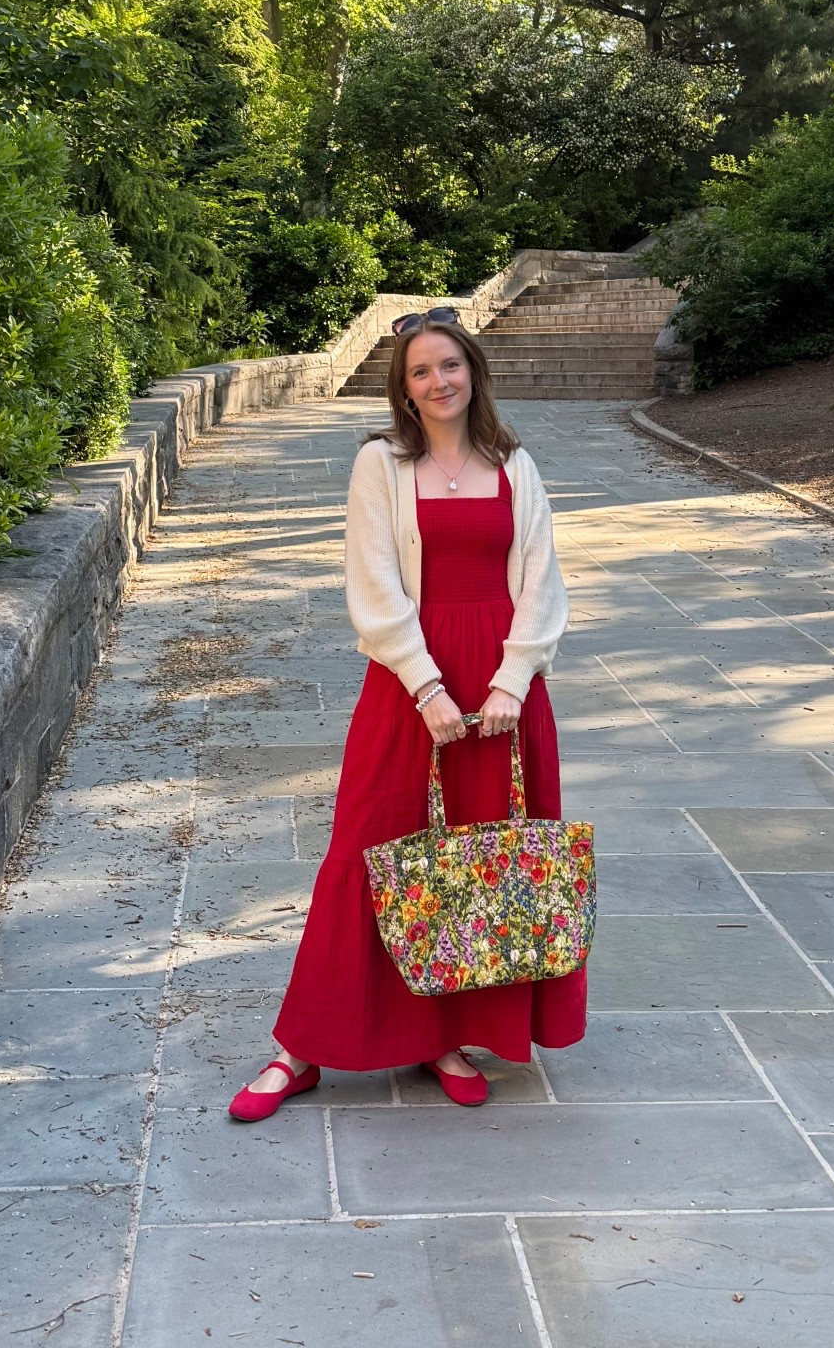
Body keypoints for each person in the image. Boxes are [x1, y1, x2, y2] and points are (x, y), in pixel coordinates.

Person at [228, 306, 587, 1119]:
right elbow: (374, 584)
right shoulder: (380, 464)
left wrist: (511, 681)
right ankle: (302, 1048)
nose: (438, 382)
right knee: (366, 851)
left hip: (503, 690)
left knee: (476, 858)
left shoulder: (513, 464)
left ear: (474, 372)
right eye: (421, 371)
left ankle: (443, 1037)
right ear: (404, 386)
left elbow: (542, 580)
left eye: (450, 366)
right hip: (408, 686)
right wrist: (427, 686)